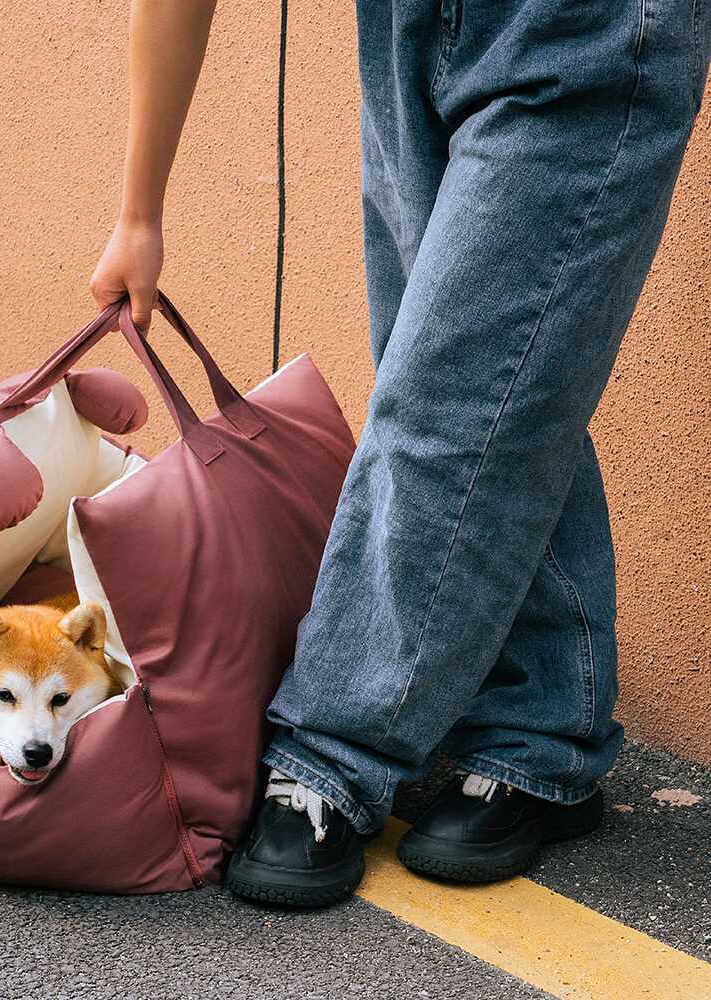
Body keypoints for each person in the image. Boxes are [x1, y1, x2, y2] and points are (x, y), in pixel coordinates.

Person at [90, 0, 711, 908]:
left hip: (585, 30)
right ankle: (544, 732)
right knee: (511, 381)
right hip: (402, 36)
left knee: (450, 401)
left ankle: (332, 751)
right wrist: (138, 212)